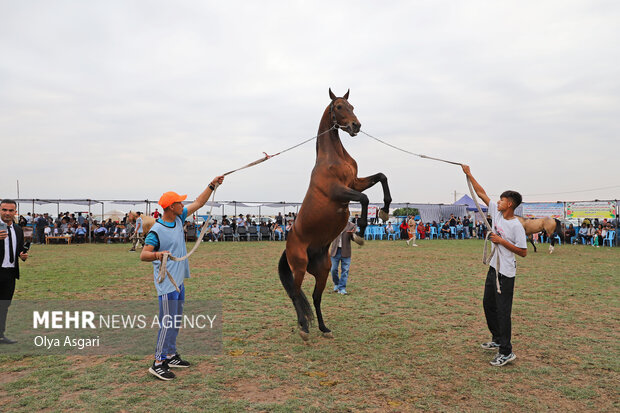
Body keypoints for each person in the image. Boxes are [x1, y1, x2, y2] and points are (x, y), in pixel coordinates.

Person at [141, 175, 225, 381]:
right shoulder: (157, 230)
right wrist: (158, 254)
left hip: (178, 282)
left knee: (175, 320)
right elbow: (144, 255)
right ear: (171, 207)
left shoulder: (179, 218)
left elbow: (199, 201)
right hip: (167, 284)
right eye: (179, 202)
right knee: (167, 322)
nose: (183, 204)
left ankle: (170, 355)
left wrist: (212, 185)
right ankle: (158, 362)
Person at [462, 165, 527, 367]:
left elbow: (523, 252)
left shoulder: (516, 225)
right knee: (488, 304)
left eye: (500, 200)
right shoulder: (497, 214)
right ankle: (497, 338)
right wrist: (469, 174)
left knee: (503, 312)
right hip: (494, 268)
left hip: (506, 273)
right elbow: (481, 193)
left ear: (508, 204)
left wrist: (501, 241)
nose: (497, 202)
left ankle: (506, 352)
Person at [0, 199, 29, 344]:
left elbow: (18, 250)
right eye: (4, 210)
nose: (7, 213)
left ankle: (0, 335)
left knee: (4, 305)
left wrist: (22, 255)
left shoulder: (17, 229)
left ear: (15, 212)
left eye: (11, 210)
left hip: (10, 273)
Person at [329, 221, 356, 295]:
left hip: (346, 251)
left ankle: (342, 288)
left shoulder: (352, 225)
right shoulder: (334, 224)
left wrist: (352, 234)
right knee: (333, 269)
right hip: (335, 251)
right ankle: (336, 284)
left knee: (345, 270)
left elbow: (355, 239)